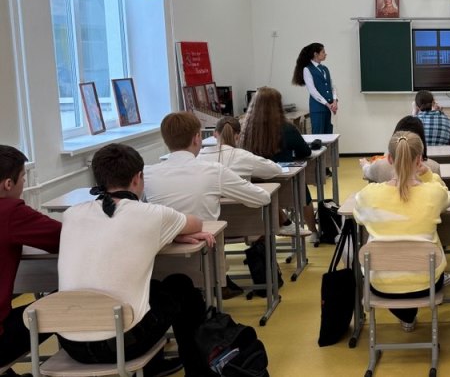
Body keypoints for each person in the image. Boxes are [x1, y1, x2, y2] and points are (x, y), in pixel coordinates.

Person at [58, 143, 214, 377]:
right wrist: (170, 232)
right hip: (124, 344)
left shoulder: (71, 214)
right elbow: (196, 224)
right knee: (180, 285)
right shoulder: (152, 214)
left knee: (152, 288)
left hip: (72, 345)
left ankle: (156, 366)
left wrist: (165, 232)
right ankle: (198, 371)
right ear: (138, 178)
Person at [353, 131, 450, 332]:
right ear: (419, 160)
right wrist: (428, 175)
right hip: (426, 284)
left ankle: (406, 316)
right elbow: (447, 197)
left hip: (381, 285)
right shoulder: (433, 193)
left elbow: (358, 216)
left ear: (389, 159)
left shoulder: (369, 195)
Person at [0, 146, 61, 371]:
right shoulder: (10, 211)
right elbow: (62, 237)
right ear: (8, 184)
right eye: (23, 178)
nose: (24, 184)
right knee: (66, 300)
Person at [145, 112, 270, 222]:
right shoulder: (214, 171)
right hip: (204, 239)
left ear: (165, 141)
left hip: (163, 240)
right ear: (196, 138)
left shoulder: (146, 174)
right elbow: (262, 198)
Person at [239, 87, 319, 239]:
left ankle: (265, 233)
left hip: (255, 185)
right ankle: (313, 231)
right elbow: (305, 152)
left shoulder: (245, 129)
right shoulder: (287, 128)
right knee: (303, 193)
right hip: (286, 182)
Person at [197, 116, 282, 180]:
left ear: (214, 134)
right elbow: (275, 170)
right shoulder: (244, 156)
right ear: (238, 136)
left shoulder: (198, 156)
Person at [361, 116, 441, 183]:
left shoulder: (379, 166)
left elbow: (367, 171)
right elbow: (440, 190)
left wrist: (364, 164)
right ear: (421, 140)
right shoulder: (433, 167)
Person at [291, 42, 337, 135]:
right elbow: (312, 91)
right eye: (323, 52)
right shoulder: (307, 69)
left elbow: (332, 86)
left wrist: (335, 101)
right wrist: (327, 104)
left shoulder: (325, 69)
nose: (325, 54)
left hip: (328, 109)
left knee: (328, 135)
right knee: (318, 136)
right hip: (318, 109)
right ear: (316, 54)